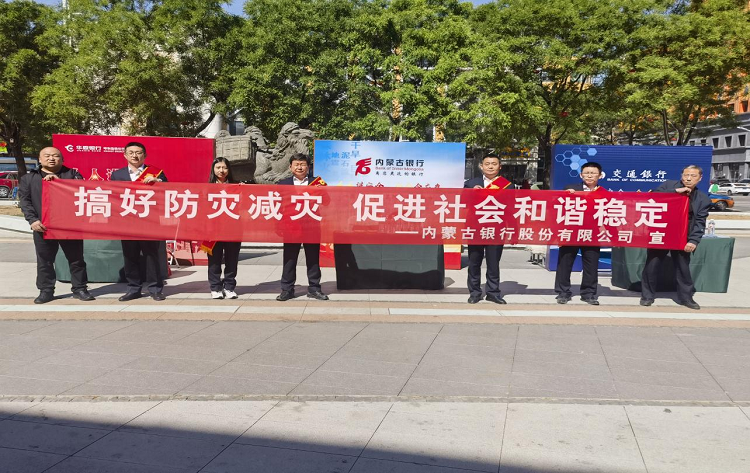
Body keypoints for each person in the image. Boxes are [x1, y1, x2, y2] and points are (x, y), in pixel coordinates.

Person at [18, 147, 94, 304]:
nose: (51, 158)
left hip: (69, 226)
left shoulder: (73, 174)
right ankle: (46, 291)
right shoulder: (29, 178)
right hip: (43, 226)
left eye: (55, 156)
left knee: (76, 259)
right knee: (44, 261)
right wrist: (33, 220)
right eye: (47, 156)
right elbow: (25, 201)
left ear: (62, 159)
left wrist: (59, 182)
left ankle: (80, 289)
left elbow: (82, 190)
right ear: (40, 159)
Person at [640, 165, 710, 310]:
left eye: (693, 176)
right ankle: (647, 296)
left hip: (683, 236)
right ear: (681, 176)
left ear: (700, 178)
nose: (688, 179)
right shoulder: (668, 185)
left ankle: (686, 298)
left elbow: (700, 222)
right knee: (652, 265)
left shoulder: (703, 199)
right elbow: (653, 197)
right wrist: (676, 191)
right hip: (661, 233)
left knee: (683, 268)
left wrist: (693, 240)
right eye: (686, 175)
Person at [110, 142, 168, 301]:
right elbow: (112, 196)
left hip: (149, 221)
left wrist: (158, 182)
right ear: (125, 155)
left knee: (151, 256)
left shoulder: (156, 173)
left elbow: (167, 192)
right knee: (130, 256)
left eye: (138, 152)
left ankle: (155, 288)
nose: (135, 155)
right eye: (131, 152)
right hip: (127, 221)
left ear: (145, 155)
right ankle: (133, 289)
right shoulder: (117, 175)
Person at [276, 153, 328, 301]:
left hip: (311, 226)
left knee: (313, 259)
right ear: (290, 167)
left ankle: (314, 288)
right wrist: (278, 226)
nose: (299, 167)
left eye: (303, 164)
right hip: (291, 227)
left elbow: (327, 201)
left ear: (308, 167)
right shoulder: (283, 184)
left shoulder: (317, 182)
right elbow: (276, 205)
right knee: (289, 259)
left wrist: (321, 191)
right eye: (296, 164)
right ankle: (287, 290)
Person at [554, 161, 604, 305]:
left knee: (591, 264)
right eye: (586, 173)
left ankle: (588, 293)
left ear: (600, 175)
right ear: (581, 175)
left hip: (592, 233)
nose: (589, 176)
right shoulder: (570, 189)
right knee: (565, 263)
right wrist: (566, 196)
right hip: (571, 231)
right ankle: (563, 292)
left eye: (593, 173)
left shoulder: (604, 193)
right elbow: (558, 205)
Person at [464, 153, 507, 305]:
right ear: (481, 166)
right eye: (487, 164)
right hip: (476, 229)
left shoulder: (507, 185)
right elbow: (463, 202)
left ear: (500, 167)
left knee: (493, 263)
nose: (490, 166)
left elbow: (512, 209)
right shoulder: (470, 184)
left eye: (494, 164)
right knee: (474, 262)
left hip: (496, 229)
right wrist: (472, 193)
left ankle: (493, 293)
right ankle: (475, 292)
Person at [205, 157, 242, 299]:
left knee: (232, 259)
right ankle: (215, 288)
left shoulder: (237, 187)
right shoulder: (206, 188)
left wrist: (244, 191)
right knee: (214, 260)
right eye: (218, 167)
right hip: (212, 230)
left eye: (225, 168)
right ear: (213, 169)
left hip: (233, 229)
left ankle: (229, 287)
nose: (222, 170)